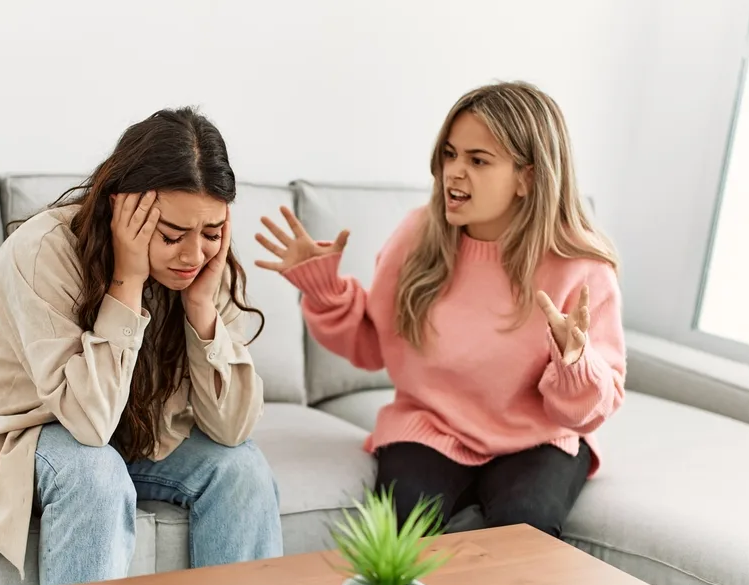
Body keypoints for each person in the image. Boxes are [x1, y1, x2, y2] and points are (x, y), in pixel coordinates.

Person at [0, 107, 282, 585]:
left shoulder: (204, 269)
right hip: (24, 428)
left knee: (243, 470)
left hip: (130, 433)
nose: (193, 255)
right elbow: (87, 423)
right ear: (122, 211)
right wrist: (127, 283)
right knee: (96, 474)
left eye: (211, 233)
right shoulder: (45, 250)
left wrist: (201, 310)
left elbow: (231, 429)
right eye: (171, 235)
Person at [255, 81, 625, 537]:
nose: (454, 172)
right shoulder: (417, 237)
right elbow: (373, 346)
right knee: (397, 535)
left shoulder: (581, 268)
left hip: (538, 438)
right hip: (431, 427)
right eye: (450, 155)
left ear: (527, 177)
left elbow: (587, 411)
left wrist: (573, 362)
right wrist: (325, 291)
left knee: (525, 531)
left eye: (477, 160)